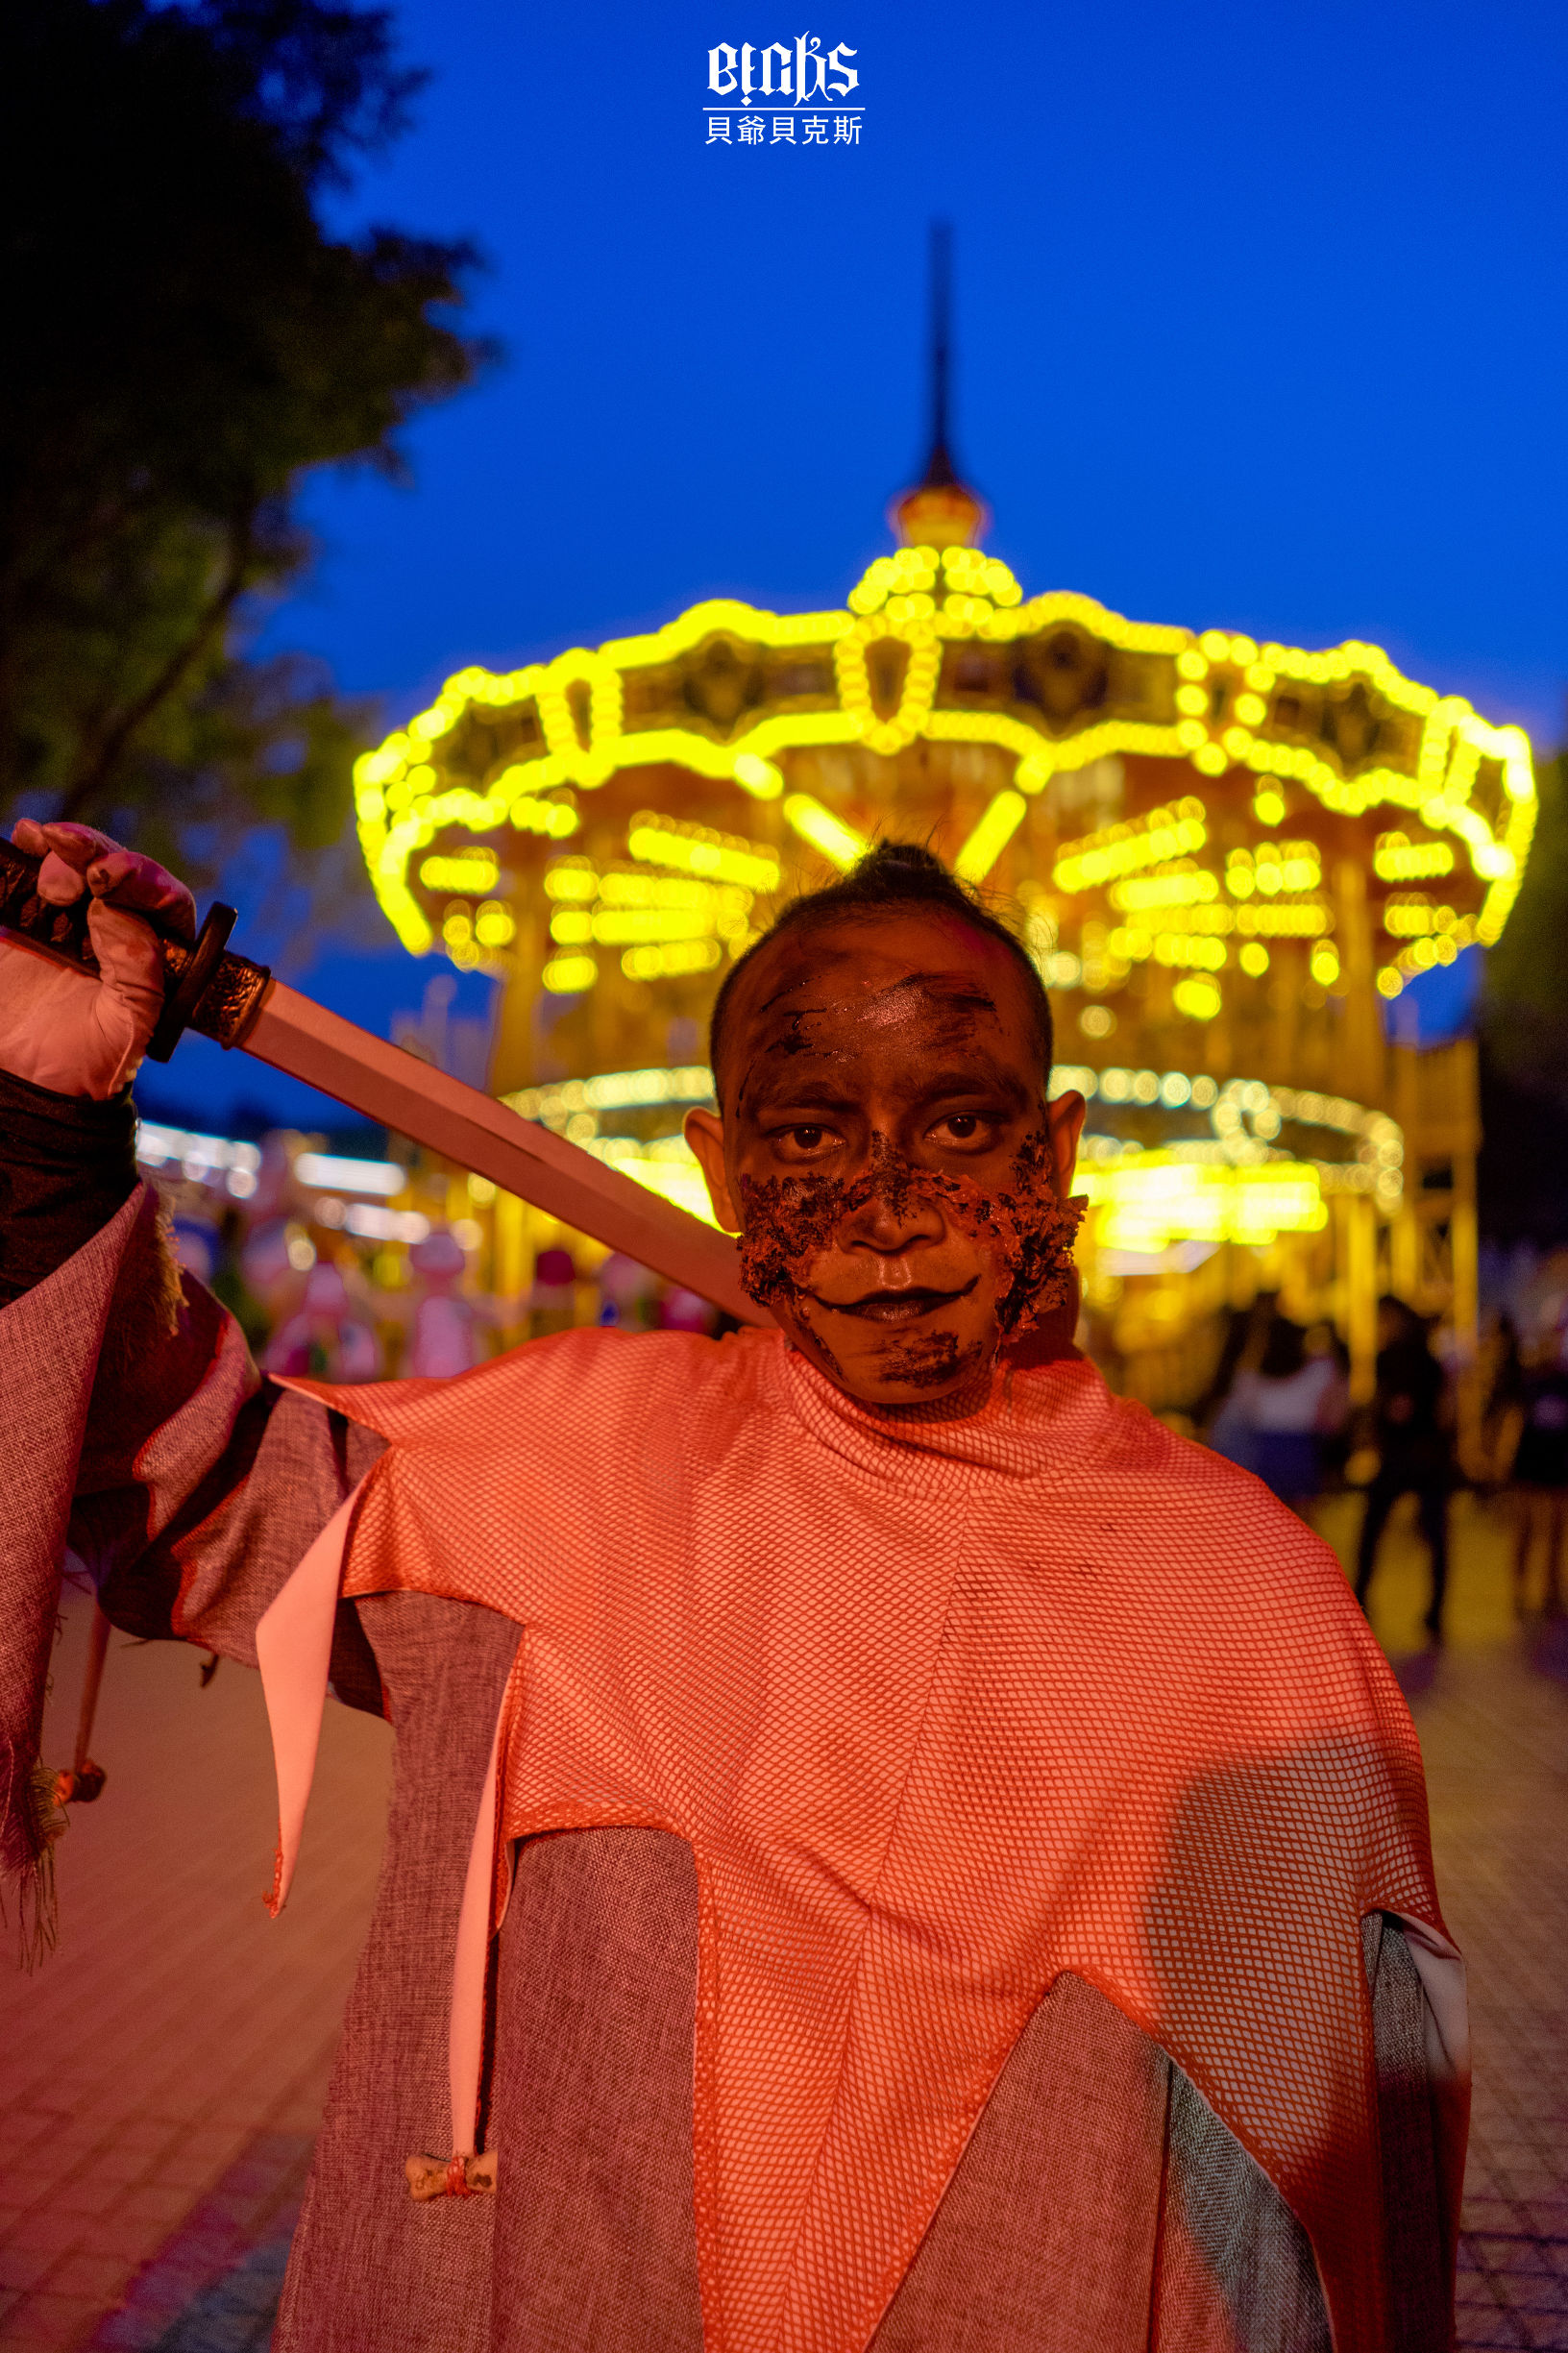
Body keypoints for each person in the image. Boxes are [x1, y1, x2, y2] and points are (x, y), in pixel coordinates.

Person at [1, 818, 1467, 2353]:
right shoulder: (564, 1466)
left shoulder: (1248, 1609)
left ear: (1058, 1149)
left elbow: (1334, 2192)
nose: (893, 1209)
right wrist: (49, 1136)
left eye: (962, 1128)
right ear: (721, 1165)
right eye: (817, 1135)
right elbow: (207, 1487)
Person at [1355, 1297, 1454, 1641]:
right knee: (1437, 1537)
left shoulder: (1389, 1358)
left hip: (1400, 1455)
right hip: (1429, 1454)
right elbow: (1445, 1409)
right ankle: (1436, 1611)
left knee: (1371, 1532)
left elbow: (1388, 1405)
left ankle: (1360, 1600)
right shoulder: (1431, 1361)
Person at [1224, 1316, 1346, 1514]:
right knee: (1303, 1523)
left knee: (1268, 1521)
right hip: (1302, 1450)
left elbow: (1243, 1406)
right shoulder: (1317, 1372)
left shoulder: (1251, 1377)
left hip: (1264, 1452)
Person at [1499, 1331, 1568, 1618]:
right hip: (1530, 1464)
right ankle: (1520, 1588)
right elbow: (1513, 1422)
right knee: (1526, 1528)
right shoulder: (1529, 1383)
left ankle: (1551, 1589)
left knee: (1555, 1531)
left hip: (1558, 1465)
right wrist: (1504, 1460)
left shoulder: (1563, 1384)